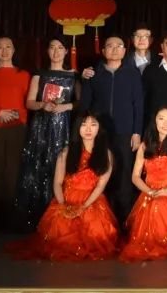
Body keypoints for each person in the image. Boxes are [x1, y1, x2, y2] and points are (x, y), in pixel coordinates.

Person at [8, 111, 119, 261]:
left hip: (92, 201)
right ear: (77, 128)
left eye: (93, 125)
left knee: (95, 236)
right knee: (60, 235)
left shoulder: (106, 154)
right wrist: (63, 206)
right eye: (84, 125)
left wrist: (84, 207)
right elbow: (57, 183)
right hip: (66, 199)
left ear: (100, 128)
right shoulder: (66, 152)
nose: (88, 129)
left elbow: (100, 186)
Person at [79, 33, 145, 225]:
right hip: (99, 133)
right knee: (99, 173)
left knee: (124, 175)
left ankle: (123, 221)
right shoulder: (93, 74)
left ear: (125, 51)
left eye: (119, 46)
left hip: (125, 132)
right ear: (103, 50)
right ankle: (101, 221)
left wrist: (137, 132)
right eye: (110, 46)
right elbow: (85, 105)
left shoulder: (133, 74)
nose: (115, 49)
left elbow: (138, 105)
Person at [14, 36, 78, 231]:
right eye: (52, 47)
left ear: (66, 51)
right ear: (47, 51)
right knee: (38, 167)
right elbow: (29, 103)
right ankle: (37, 215)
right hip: (41, 127)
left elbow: (81, 103)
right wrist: (43, 105)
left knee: (60, 166)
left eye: (60, 47)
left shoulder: (74, 75)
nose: (56, 51)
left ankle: (61, 215)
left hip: (64, 127)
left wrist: (65, 106)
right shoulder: (39, 74)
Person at [120, 107, 167, 261]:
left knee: (162, 206)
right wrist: (149, 191)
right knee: (155, 208)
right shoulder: (145, 146)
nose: (165, 123)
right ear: (155, 121)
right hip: (150, 193)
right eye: (161, 118)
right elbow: (135, 176)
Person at [0, 36, 30, 230]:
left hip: (17, 126)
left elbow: (28, 102)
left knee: (14, 169)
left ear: (14, 50)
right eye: (0, 47)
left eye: (8, 46)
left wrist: (18, 116)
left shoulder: (23, 74)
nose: (4, 50)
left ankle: (14, 214)